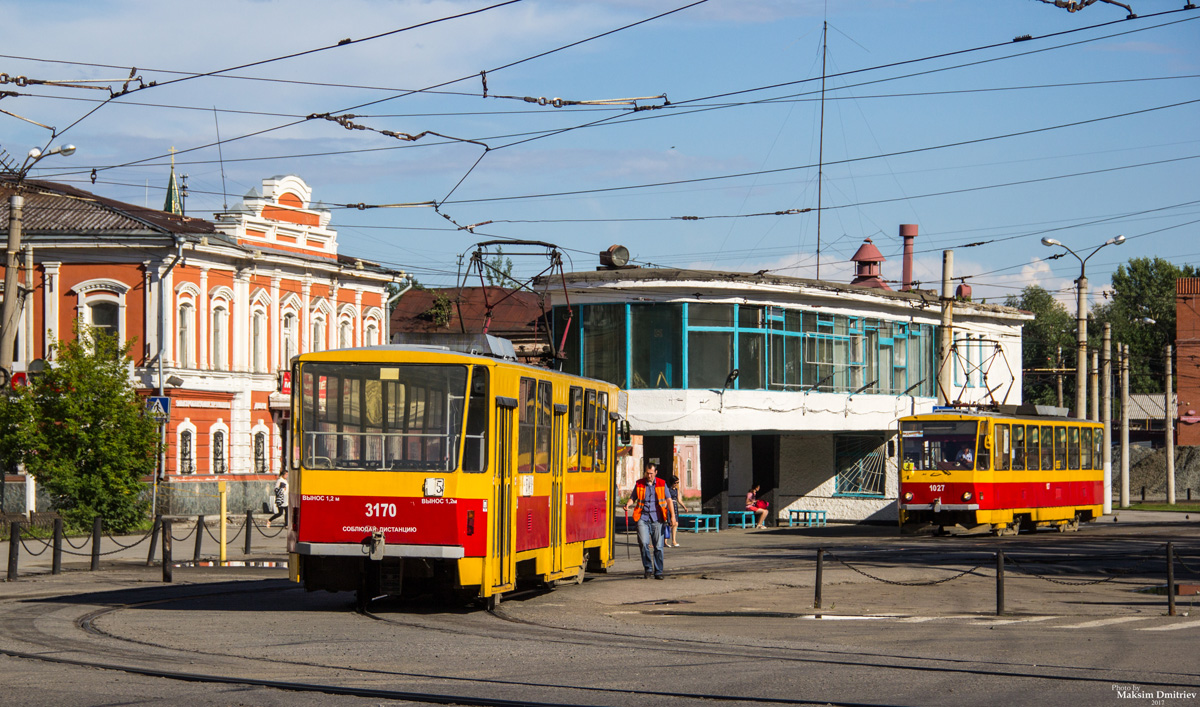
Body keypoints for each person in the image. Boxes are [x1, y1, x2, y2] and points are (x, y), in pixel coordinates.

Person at [622, 463, 673, 579]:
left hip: (658, 519)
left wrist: (673, 517)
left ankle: (658, 571)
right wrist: (628, 504)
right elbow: (633, 497)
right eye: (647, 473)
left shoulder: (662, 483)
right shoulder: (639, 483)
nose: (649, 475)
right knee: (644, 543)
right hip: (643, 518)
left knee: (658, 547)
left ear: (656, 473)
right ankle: (648, 568)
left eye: (651, 473)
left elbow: (669, 500)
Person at [665, 475, 681, 547]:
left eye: (678, 482)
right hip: (669, 506)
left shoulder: (676, 490)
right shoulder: (668, 489)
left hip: (675, 506)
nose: (676, 484)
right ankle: (665, 541)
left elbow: (679, 500)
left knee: (676, 524)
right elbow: (666, 499)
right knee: (669, 524)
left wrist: (684, 507)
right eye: (675, 483)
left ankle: (674, 541)